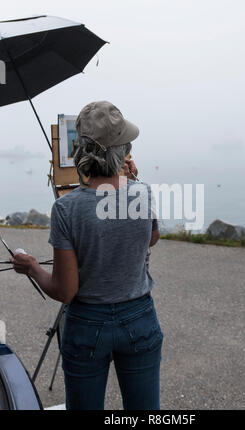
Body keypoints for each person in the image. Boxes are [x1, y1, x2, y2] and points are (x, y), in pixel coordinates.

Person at [11, 101, 163, 410]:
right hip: (140, 318)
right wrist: (132, 183)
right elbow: (152, 237)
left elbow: (65, 291)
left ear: (81, 151)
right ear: (122, 152)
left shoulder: (66, 209)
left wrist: (31, 268)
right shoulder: (143, 192)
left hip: (87, 324)